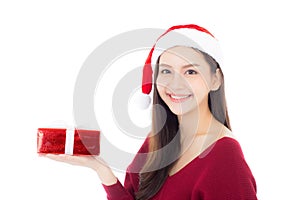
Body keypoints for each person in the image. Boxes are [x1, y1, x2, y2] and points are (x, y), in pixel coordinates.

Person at [44, 24, 258, 200]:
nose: (176, 84)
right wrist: (102, 170)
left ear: (215, 79)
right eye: (166, 71)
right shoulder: (158, 139)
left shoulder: (225, 157)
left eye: (190, 71)